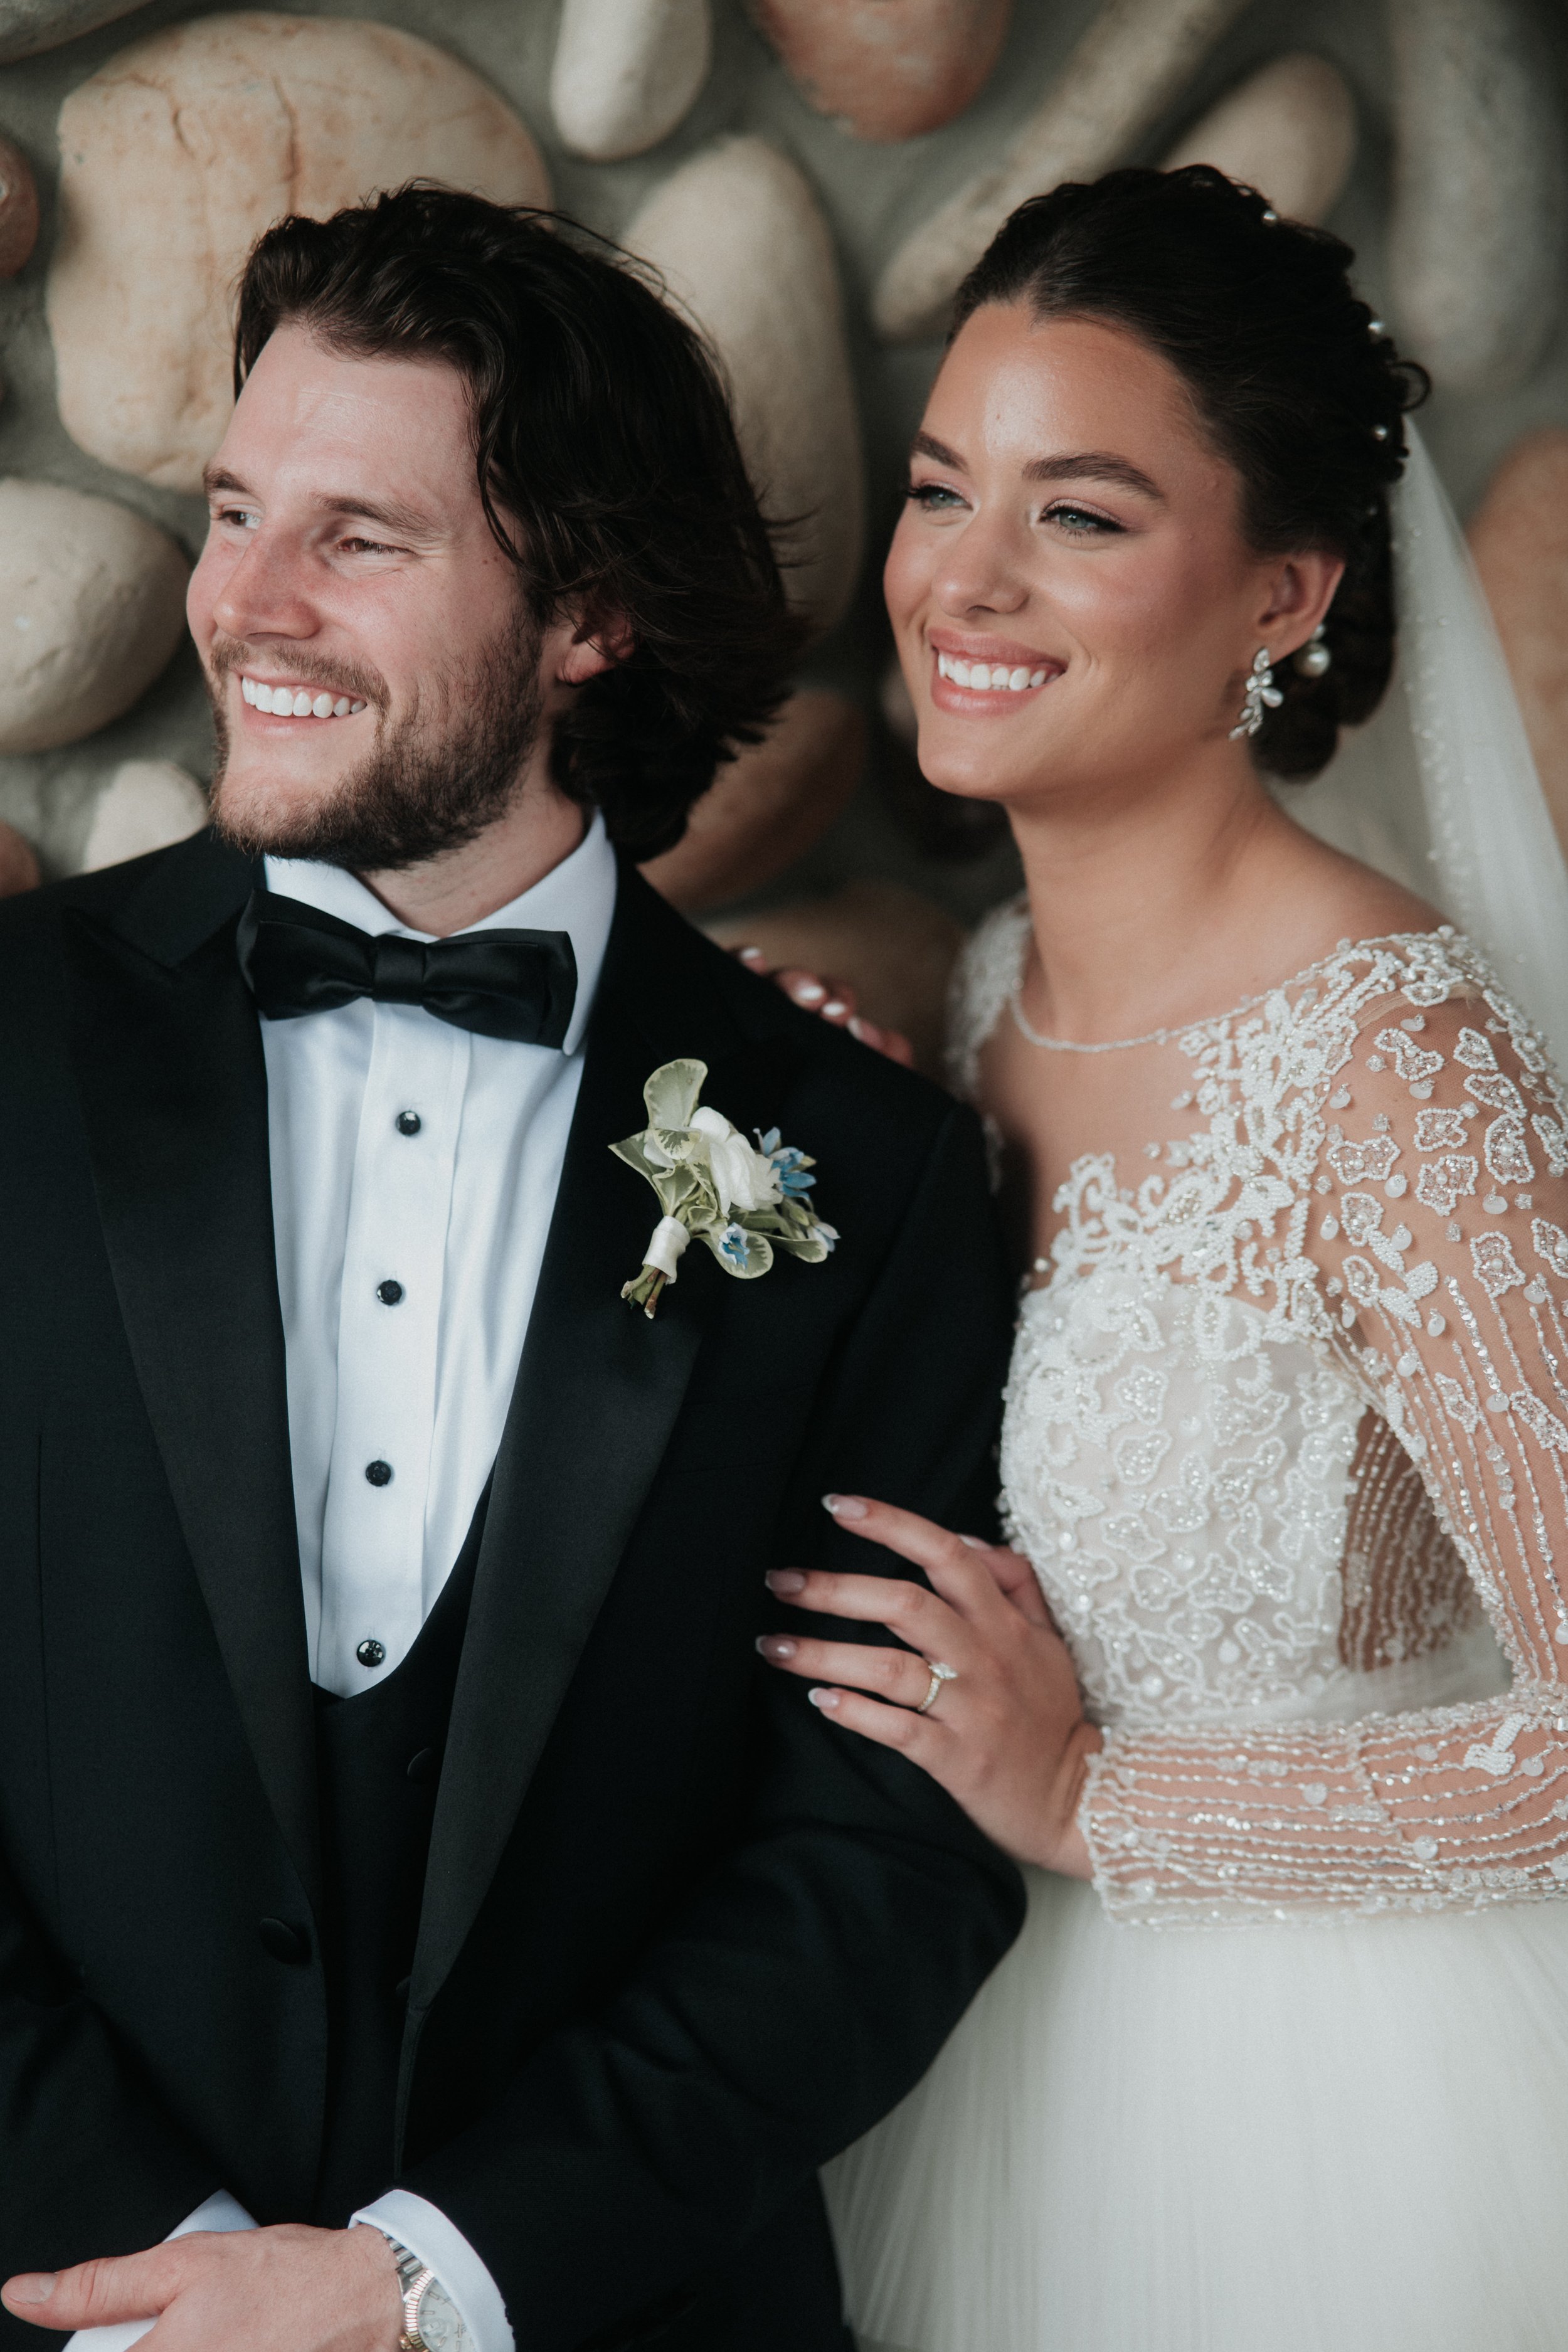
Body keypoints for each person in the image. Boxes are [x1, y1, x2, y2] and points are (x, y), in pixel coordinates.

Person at [0, 187, 1025, 2352]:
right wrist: (140, 2258)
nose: (242, 605)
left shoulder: (869, 1174)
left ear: (586, 615)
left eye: (357, 539)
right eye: (230, 509)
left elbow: (882, 1859)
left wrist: (424, 2287)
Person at [756, 167, 1568, 2350]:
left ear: (1279, 592)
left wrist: (1103, 1799)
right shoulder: (989, 983)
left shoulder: (1390, 1062)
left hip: (1341, 2118)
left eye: (1082, 515)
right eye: (943, 490)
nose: (965, 579)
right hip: (985, 2035)